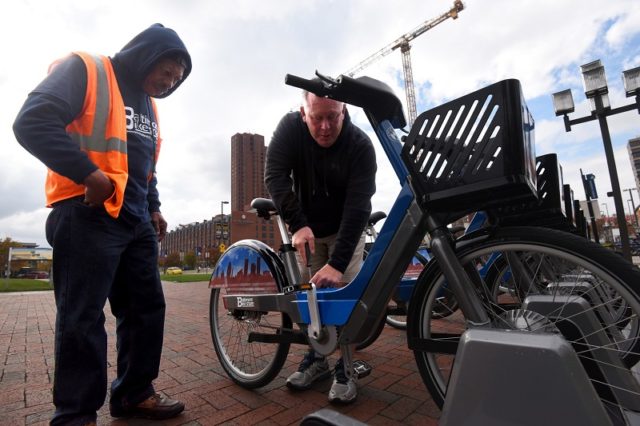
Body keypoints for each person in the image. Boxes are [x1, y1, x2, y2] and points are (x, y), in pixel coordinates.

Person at [13, 24, 192, 425]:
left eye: (176, 80)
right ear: (147, 53)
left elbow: (143, 164)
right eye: (166, 72)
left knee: (146, 310)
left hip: (136, 220)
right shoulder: (87, 70)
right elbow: (32, 121)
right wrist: (88, 174)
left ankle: (134, 394)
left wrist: (155, 206)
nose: (169, 83)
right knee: (82, 318)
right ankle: (75, 414)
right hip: (86, 212)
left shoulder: (149, 105)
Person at [264, 85, 377, 403]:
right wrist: (298, 224)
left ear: (344, 112)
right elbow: (275, 175)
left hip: (345, 229)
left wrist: (338, 263)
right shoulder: (290, 129)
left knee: (347, 299)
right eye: (317, 118)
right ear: (304, 114)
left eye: (332, 117)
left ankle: (345, 367)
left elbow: (358, 208)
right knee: (309, 299)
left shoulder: (360, 146)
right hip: (308, 231)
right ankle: (317, 359)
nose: (325, 127)